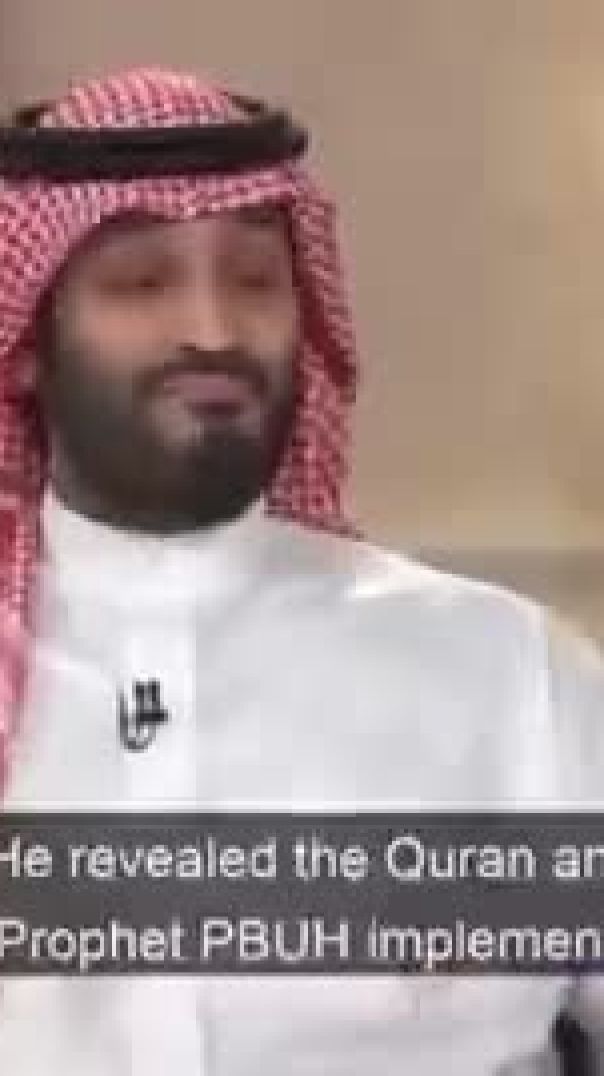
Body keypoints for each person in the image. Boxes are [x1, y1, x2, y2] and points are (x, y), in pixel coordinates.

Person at [0, 66, 602, 1075]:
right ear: (24, 340)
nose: (214, 331)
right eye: (140, 283)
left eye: (254, 278)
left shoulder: (508, 676)